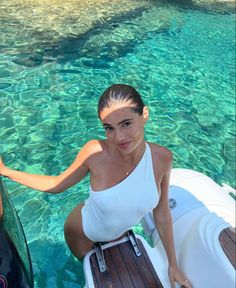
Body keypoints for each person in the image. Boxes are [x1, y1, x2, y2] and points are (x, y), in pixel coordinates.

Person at [0, 84, 191, 288]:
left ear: (144, 114)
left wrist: (173, 264)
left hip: (118, 232)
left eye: (126, 123)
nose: (118, 137)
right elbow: (56, 184)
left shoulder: (162, 158)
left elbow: (161, 213)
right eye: (109, 128)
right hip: (82, 234)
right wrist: (6, 171)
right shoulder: (95, 153)